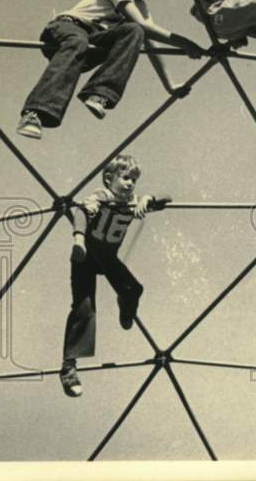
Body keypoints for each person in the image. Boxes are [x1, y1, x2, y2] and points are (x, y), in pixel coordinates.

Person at [16, 0, 206, 140]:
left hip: (90, 45)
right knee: (80, 41)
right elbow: (144, 25)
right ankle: (35, 113)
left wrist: (169, 84)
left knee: (134, 32)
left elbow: (149, 41)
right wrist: (183, 42)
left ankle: (99, 93)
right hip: (67, 28)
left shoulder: (139, 5)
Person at [60, 154, 170, 398]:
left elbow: (166, 198)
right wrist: (79, 238)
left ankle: (125, 303)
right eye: (124, 177)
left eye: (133, 179)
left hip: (108, 258)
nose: (130, 183)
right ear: (109, 178)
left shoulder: (134, 201)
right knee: (84, 309)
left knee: (134, 289)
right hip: (86, 257)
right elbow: (80, 211)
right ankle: (69, 367)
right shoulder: (101, 196)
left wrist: (148, 199)